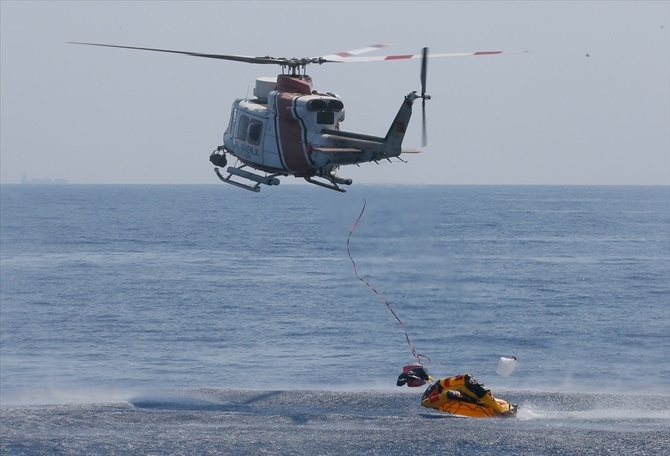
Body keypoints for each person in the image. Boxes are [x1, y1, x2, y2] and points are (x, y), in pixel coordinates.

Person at [419, 373, 517, 418]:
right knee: (481, 395)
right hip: (458, 394)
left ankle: (504, 408)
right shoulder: (427, 401)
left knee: (476, 387)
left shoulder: (442, 384)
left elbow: (465, 378)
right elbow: (450, 394)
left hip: (461, 389)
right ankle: (503, 409)